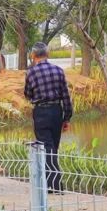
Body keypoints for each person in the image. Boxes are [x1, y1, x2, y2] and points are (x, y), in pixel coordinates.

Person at [24, 42, 72, 193]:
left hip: (41, 112)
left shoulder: (31, 73)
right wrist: (67, 118)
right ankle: (52, 184)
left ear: (33, 55)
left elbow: (27, 93)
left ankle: (54, 186)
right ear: (47, 54)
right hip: (57, 111)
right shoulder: (59, 70)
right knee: (53, 148)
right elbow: (66, 96)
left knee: (46, 148)